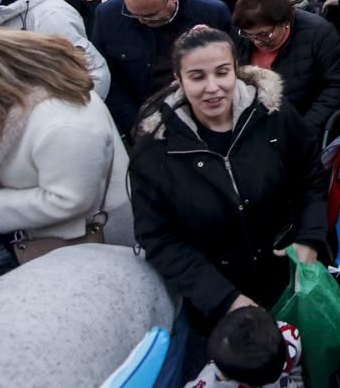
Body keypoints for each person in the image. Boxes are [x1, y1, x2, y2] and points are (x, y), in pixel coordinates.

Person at [128, 25, 328, 332]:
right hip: (220, 302)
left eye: (222, 72)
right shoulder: (155, 149)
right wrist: (224, 298)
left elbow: (310, 176)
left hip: (292, 279)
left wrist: (309, 239)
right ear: (178, 80)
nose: (213, 87)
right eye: (197, 77)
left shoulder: (273, 116)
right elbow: (158, 237)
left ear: (236, 70)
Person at [0, 29, 132, 268]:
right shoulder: (0, 106)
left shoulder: (63, 121)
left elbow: (71, 199)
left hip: (95, 242)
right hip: (56, 241)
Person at [92, 0, 230, 135]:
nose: (142, 21)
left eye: (150, 15)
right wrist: (136, 125)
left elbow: (230, 69)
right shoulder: (108, 17)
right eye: (133, 14)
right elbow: (108, 79)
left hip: (202, 119)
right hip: (140, 119)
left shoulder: (212, 13)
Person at [232, 0, 340, 137]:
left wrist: (303, 128)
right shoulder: (241, 36)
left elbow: (338, 86)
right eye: (250, 35)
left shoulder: (319, 33)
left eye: (264, 34)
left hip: (302, 128)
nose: (257, 41)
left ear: (284, 21)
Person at [188, 306, 303, 388]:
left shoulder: (209, 382)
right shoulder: (289, 337)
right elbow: (295, 367)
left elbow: (295, 370)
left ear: (224, 376)